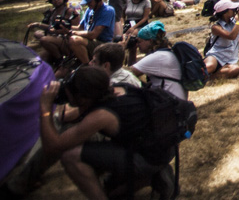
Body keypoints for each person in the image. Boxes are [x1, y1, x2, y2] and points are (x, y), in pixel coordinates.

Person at [38, 66, 176, 200]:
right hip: (160, 148)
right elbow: (75, 114)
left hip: (148, 158)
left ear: (83, 98)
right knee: (113, 193)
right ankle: (153, 176)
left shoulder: (101, 116)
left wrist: (45, 108)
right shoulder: (118, 89)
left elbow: (52, 147)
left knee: (70, 156)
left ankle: (152, 175)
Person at [126, 21, 188, 99]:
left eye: (139, 41)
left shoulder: (158, 57)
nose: (137, 45)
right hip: (174, 100)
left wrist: (121, 49)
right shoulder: (164, 53)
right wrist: (132, 51)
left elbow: (126, 74)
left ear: (150, 41)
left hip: (172, 105)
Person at [66, 0, 116, 66]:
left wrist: (72, 32)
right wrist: (66, 27)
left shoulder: (107, 11)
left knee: (74, 40)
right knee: (59, 40)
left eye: (90, 2)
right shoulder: (89, 10)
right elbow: (80, 28)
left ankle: (88, 66)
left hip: (103, 43)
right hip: (89, 40)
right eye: (87, 2)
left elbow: (93, 35)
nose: (88, 4)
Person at [204, 0, 239, 79]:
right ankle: (195, 76)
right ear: (225, 13)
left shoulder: (235, 21)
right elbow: (231, 36)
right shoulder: (216, 27)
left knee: (235, 70)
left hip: (229, 60)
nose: (235, 10)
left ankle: (210, 77)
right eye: (232, 9)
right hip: (215, 56)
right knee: (210, 66)